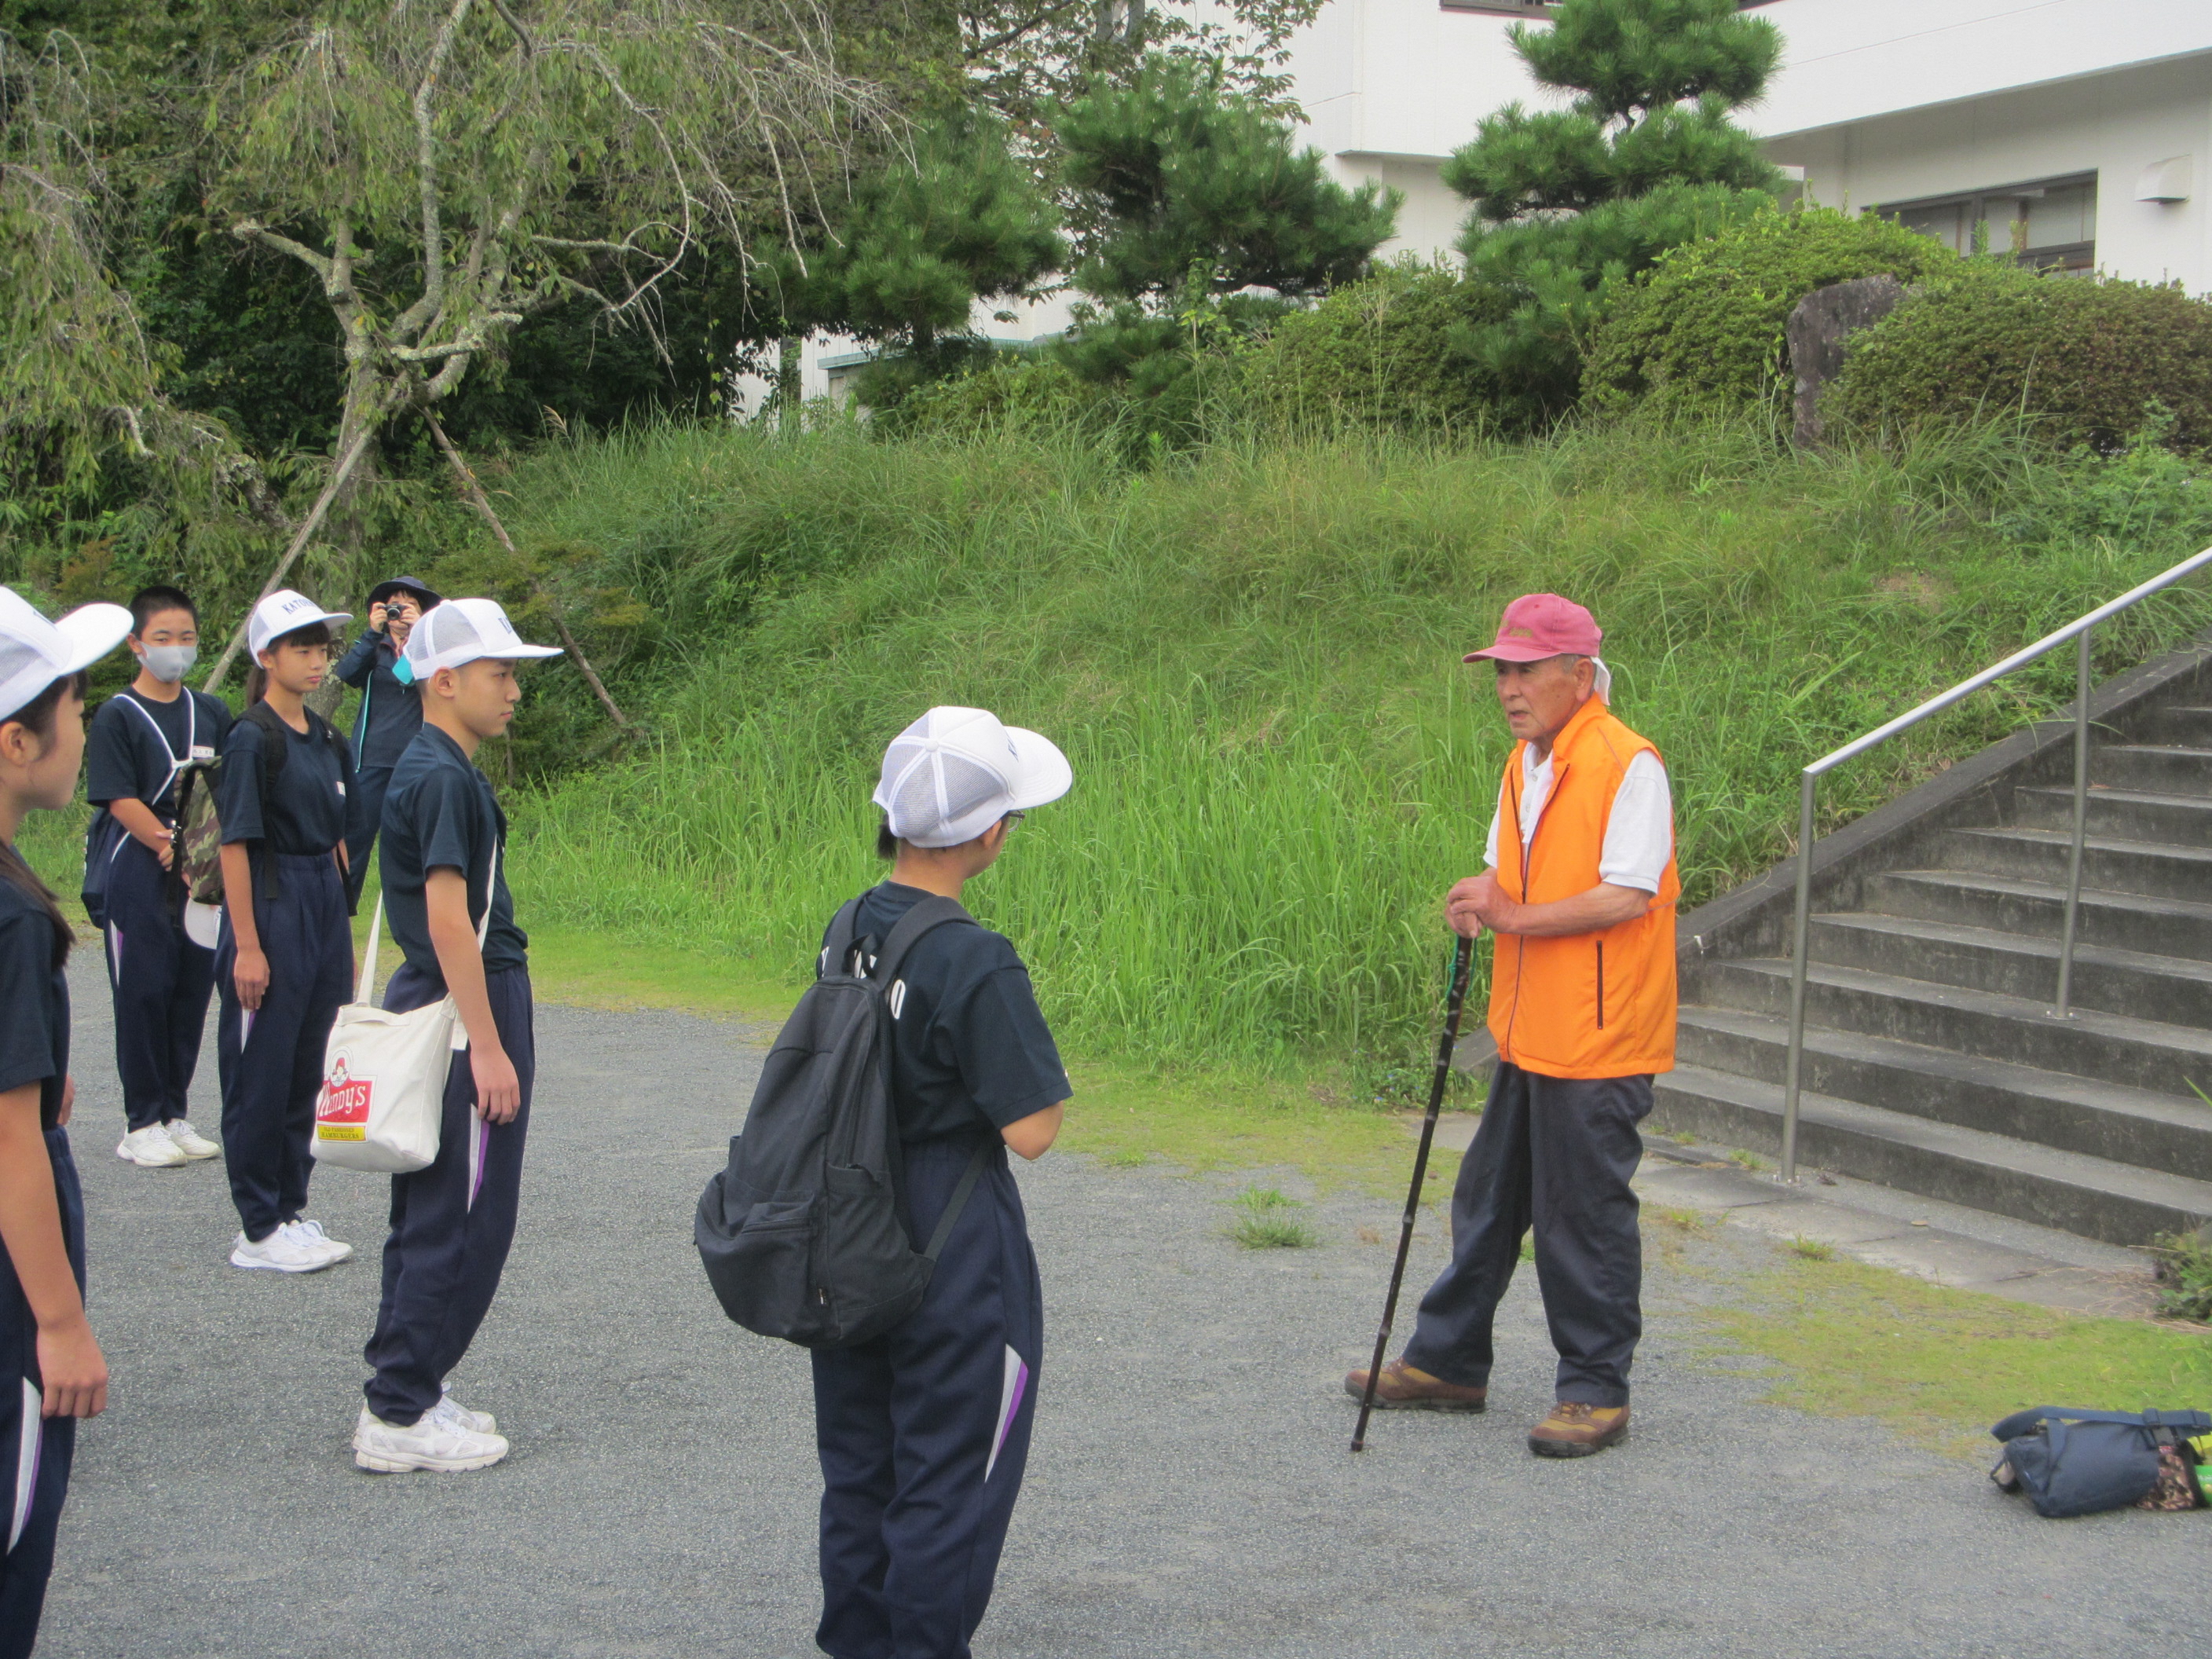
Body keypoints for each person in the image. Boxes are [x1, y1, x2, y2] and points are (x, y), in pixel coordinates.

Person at [1346, 593, 1679, 1458]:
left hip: (1599, 1038)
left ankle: (1594, 1392)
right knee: (1486, 1202)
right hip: (1528, 1028)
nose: (1507, 687)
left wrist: (1513, 920)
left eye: (1525, 669)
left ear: (1579, 673)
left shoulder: (1625, 762)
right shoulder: (1521, 764)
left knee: (1583, 1216)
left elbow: (1625, 893)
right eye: (1500, 670)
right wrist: (1477, 898)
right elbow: (1506, 878)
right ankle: (1448, 1361)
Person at [811, 706, 1072, 1659]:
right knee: (950, 1473)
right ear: (990, 833)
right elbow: (1032, 1128)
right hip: (950, 1226)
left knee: (860, 1464)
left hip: (842, 1218)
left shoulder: (845, 929)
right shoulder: (973, 957)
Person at [352, 597, 559, 1475]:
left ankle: (413, 1384)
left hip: (452, 997)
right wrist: (490, 1044)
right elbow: (446, 919)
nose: (514, 690)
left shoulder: (437, 763)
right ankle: (398, 1411)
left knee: (435, 1203)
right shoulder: (439, 773)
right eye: (500, 673)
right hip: (462, 1001)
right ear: (444, 682)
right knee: (464, 1214)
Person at [0, 586, 130, 1657]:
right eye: (75, 706)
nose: (82, 731)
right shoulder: (7, 915)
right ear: (14, 739)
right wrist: (56, 1321)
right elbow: (7, 1144)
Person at [214, 589, 358, 1274]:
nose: (314, 658)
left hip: (322, 900)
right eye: (300, 646)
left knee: (310, 1063)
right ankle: (257, 1224)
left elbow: (339, 837)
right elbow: (236, 843)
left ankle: (291, 1209)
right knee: (262, 1066)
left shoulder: (329, 739)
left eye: (321, 646)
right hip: (271, 899)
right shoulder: (252, 738)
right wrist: (247, 944)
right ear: (265, 656)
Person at [85, 585, 232, 1169]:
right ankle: (140, 1120)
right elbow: (117, 795)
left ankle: (175, 1112)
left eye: (187, 638)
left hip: (200, 872)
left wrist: (199, 850)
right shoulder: (118, 714)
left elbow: (224, 786)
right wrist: (166, 842)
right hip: (138, 870)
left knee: (190, 989)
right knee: (143, 991)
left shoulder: (211, 711)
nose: (176, 650)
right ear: (137, 645)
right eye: (164, 639)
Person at [335, 575, 440, 906]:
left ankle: (422, 917)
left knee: (416, 845)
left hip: (416, 759)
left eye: (408, 606)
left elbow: (435, 677)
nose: (399, 614)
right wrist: (371, 632)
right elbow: (345, 674)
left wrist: (423, 633)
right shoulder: (374, 649)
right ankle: (339, 912)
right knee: (354, 843)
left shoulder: (431, 650)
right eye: (393, 606)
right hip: (371, 761)